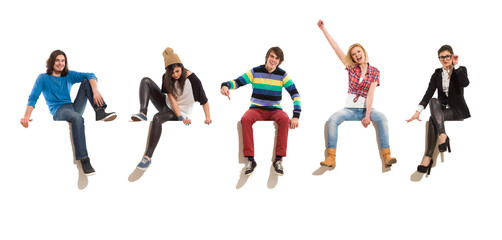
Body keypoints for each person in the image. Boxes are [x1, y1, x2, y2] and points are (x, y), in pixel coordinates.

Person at [21, 50, 117, 176]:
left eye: (63, 61)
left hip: (73, 107)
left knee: (87, 81)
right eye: (57, 60)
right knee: (77, 118)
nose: (60, 63)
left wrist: (95, 91)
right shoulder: (43, 78)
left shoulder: (68, 75)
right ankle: (84, 159)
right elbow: (33, 97)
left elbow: (90, 74)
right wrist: (26, 117)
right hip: (59, 111)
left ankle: (99, 112)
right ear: (51, 61)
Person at [317, 20, 397, 169]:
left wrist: (367, 116)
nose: (356, 55)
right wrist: (323, 29)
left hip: (367, 109)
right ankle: (331, 158)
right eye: (353, 54)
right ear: (352, 58)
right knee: (333, 119)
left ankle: (387, 157)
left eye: (358, 52)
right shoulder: (351, 68)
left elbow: (371, 94)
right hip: (350, 110)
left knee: (382, 118)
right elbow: (336, 48)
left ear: (364, 52)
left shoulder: (374, 71)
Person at [220, 46, 301, 176]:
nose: (273, 60)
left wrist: (296, 115)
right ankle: (251, 160)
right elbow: (238, 82)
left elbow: (295, 94)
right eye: (272, 56)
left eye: (276, 58)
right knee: (245, 119)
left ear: (279, 61)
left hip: (275, 110)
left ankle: (278, 160)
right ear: (267, 57)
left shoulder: (282, 75)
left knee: (285, 119)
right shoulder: (255, 71)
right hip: (256, 109)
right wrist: (225, 85)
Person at [131, 47, 211, 170]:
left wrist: (207, 118)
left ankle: (147, 157)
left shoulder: (194, 81)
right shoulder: (167, 76)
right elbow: (171, 98)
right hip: (167, 104)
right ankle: (143, 112)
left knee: (157, 118)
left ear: (182, 67)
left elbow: (204, 101)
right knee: (145, 81)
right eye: (172, 73)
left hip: (180, 111)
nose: (175, 75)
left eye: (177, 71)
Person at [407, 45, 470, 176]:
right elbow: (428, 93)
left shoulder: (460, 70)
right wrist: (418, 111)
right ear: (439, 59)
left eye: (447, 56)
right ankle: (442, 136)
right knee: (433, 101)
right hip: (441, 109)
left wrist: (456, 65)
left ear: (452, 56)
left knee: (432, 120)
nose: (445, 59)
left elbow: (465, 83)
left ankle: (427, 157)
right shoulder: (436, 74)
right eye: (442, 57)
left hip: (457, 110)